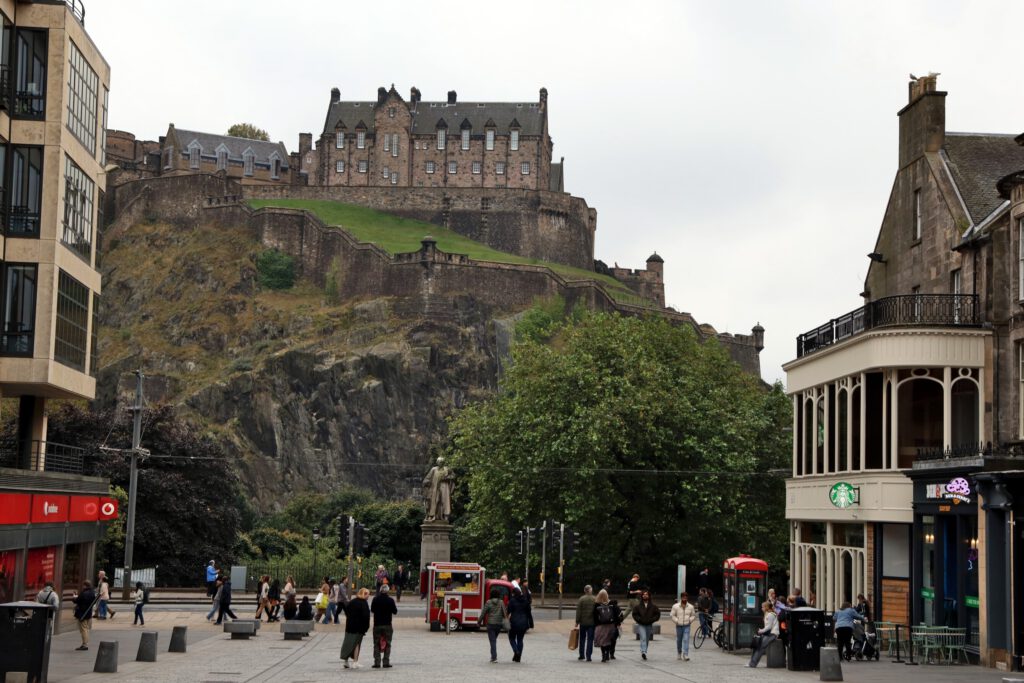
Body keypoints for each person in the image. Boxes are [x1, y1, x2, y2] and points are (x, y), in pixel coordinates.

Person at [341, 588, 371, 669]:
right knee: (357, 644)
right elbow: (366, 616)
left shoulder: (352, 602)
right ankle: (355, 661)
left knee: (348, 643)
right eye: (368, 594)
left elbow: (347, 611)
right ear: (364, 594)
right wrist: (366, 627)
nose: (369, 596)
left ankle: (346, 661)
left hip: (350, 626)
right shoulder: (363, 603)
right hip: (359, 628)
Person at [371, 585, 398, 668]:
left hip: (377, 624)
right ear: (387, 591)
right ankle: (386, 662)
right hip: (387, 624)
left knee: (376, 643)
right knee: (388, 643)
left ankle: (377, 662)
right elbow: (395, 611)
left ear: (380, 590)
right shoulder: (390, 600)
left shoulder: (375, 599)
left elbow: (372, 610)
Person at [748, 600, 780, 667]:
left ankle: (752, 664)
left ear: (766, 607)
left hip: (772, 634)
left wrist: (761, 631)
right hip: (769, 634)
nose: (761, 608)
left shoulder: (770, 615)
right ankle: (751, 663)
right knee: (757, 646)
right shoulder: (768, 614)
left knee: (760, 648)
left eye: (762, 607)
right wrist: (762, 630)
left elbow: (769, 627)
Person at [506, 585, 533, 662]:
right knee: (520, 639)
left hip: (514, 622)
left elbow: (508, 612)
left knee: (511, 638)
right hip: (524, 623)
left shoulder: (512, 601)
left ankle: (516, 651)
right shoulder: (525, 601)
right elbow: (529, 613)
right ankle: (518, 657)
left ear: (514, 594)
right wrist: (530, 623)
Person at [593, 588, 621, 663]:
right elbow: (616, 615)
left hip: (601, 625)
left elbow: (594, 616)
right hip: (610, 625)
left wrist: (596, 624)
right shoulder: (611, 603)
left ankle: (603, 655)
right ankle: (607, 653)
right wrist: (618, 624)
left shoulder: (596, 604)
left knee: (602, 641)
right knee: (608, 640)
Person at [632, 589, 661, 661]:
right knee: (643, 637)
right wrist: (639, 620)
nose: (645, 595)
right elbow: (634, 614)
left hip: (649, 624)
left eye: (646, 594)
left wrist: (652, 620)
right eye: (643, 594)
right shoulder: (638, 606)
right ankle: (643, 651)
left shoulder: (653, 606)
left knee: (647, 639)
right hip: (641, 624)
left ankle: (644, 650)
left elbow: (657, 615)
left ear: (649, 596)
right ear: (642, 596)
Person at [481, 586, 506, 663]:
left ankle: (494, 657)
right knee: (494, 640)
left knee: (492, 641)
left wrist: (479, 621)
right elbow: (504, 613)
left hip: (490, 624)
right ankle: (493, 656)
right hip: (498, 624)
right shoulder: (501, 602)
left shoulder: (488, 602)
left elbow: (483, 613)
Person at [671, 591, 696, 661]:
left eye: (686, 597)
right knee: (679, 640)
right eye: (683, 597)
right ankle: (679, 652)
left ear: (687, 598)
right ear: (681, 597)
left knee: (686, 639)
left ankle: (685, 654)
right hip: (679, 625)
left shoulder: (691, 606)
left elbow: (693, 615)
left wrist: (689, 620)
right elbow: (672, 615)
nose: (684, 598)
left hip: (687, 625)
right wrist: (677, 621)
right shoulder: (675, 606)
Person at [72, 581, 95, 651]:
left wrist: (74, 597)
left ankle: (84, 644)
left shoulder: (84, 593)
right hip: (88, 613)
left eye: (83, 585)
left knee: (83, 629)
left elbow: (77, 601)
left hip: (82, 613)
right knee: (86, 628)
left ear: (85, 585)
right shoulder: (92, 593)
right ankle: (86, 642)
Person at [575, 584, 596, 662]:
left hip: (583, 622)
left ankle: (581, 655)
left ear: (584, 591)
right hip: (592, 623)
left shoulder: (581, 599)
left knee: (582, 639)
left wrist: (577, 622)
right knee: (590, 639)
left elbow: (578, 611)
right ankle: (589, 656)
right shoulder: (595, 599)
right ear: (591, 590)